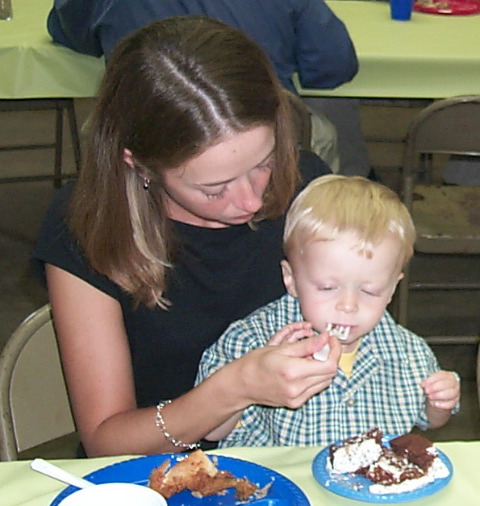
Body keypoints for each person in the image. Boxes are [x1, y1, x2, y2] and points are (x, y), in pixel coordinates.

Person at [32, 16, 341, 458]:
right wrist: (233, 389)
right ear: (138, 165)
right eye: (213, 189)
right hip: (153, 476)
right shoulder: (87, 225)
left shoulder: (307, 185)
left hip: (290, 461)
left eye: (264, 162)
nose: (251, 200)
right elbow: (105, 440)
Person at [197, 175, 461, 447]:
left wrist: (439, 403)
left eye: (369, 291)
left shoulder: (408, 353)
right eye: (327, 288)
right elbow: (212, 432)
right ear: (291, 279)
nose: (348, 305)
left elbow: (429, 421)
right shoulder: (250, 341)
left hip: (368, 485)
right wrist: (250, 383)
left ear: (393, 288)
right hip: (276, 484)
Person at [46, 0, 360, 173]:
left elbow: (68, 32)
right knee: (322, 130)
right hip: (263, 134)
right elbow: (334, 65)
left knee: (101, 125)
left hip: (141, 137)